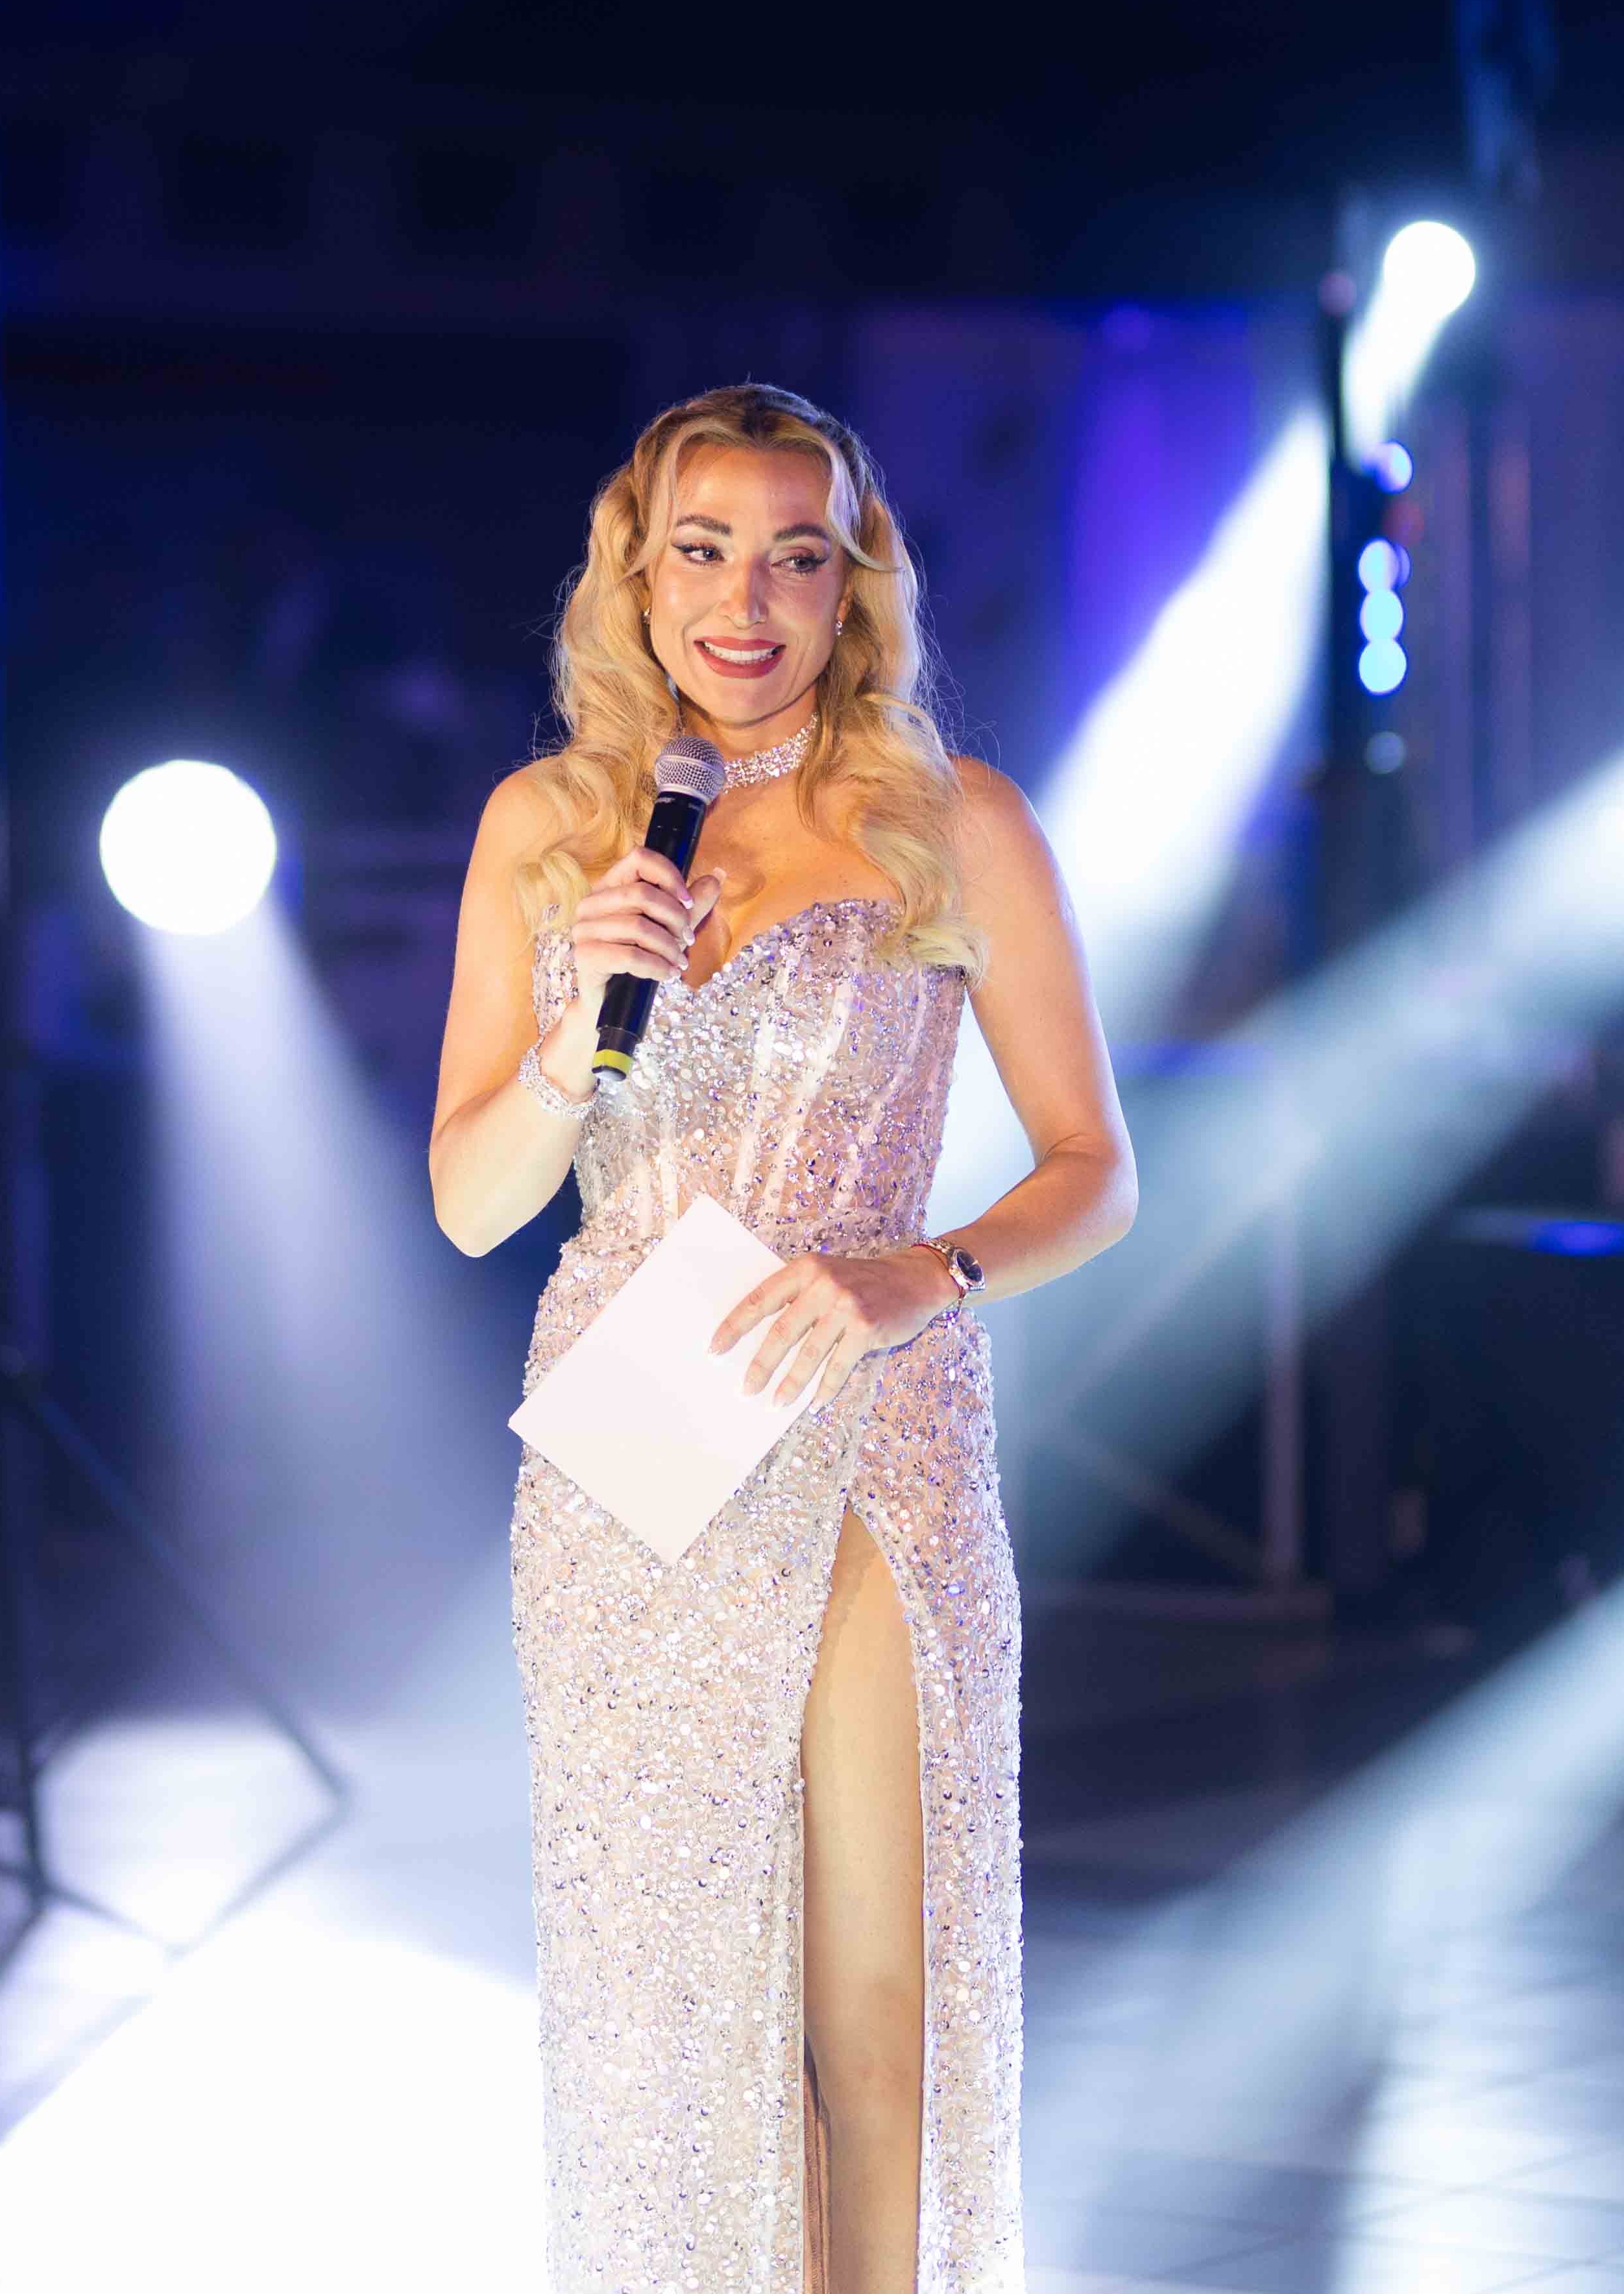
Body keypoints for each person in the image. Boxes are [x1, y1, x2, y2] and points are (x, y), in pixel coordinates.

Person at [431, 383, 1136, 2294]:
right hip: (625, 1449)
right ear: (638, 573)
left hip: (863, 1418)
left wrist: (932, 1272)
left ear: (852, 583)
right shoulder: (549, 830)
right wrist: (578, 1020)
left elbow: (1097, 1172)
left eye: (795, 556)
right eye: (705, 551)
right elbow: (475, 1204)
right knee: (659, 2008)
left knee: (869, 2001)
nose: (746, 602)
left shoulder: (953, 819)